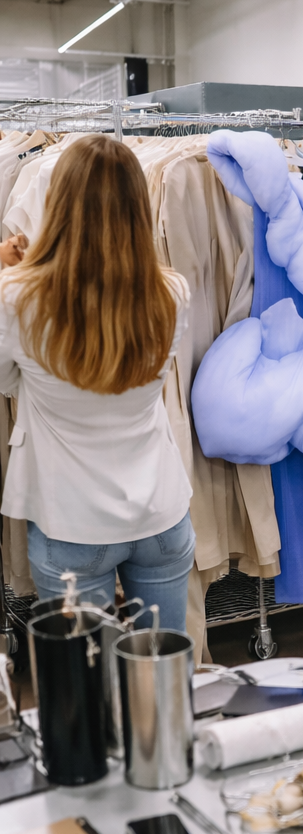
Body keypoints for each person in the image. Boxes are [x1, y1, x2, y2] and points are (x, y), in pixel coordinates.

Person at [0, 135, 195, 631]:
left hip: (72, 520)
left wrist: (18, 276)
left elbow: (7, 380)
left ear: (57, 202)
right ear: (138, 205)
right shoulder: (172, 291)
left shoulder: (16, 296)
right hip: (160, 513)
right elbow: (139, 351)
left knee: (82, 697)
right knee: (162, 684)